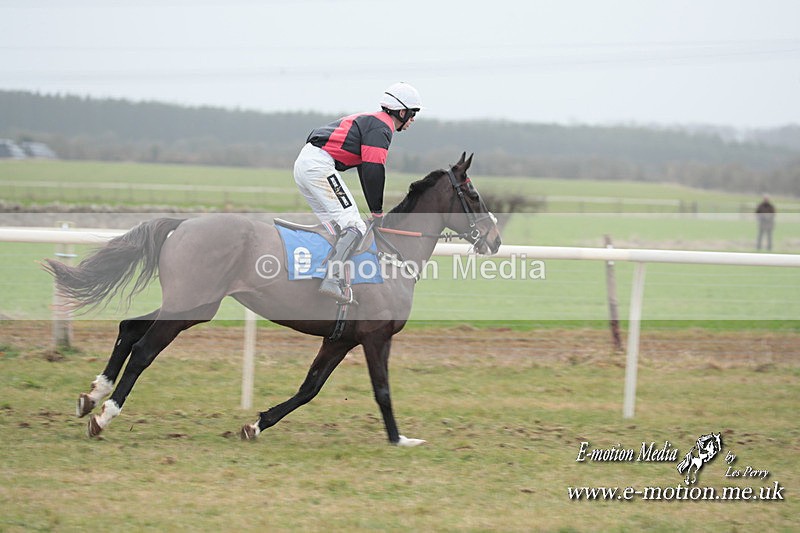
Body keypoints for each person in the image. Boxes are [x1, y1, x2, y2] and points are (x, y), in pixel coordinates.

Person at [293, 82, 422, 302]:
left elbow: (365, 169)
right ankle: (331, 280)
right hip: (318, 166)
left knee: (335, 228)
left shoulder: (374, 121)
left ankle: (317, 276)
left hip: (307, 163)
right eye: (413, 114)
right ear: (402, 111)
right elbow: (374, 171)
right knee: (354, 226)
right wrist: (378, 212)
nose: (412, 120)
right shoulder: (381, 128)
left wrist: (374, 211)